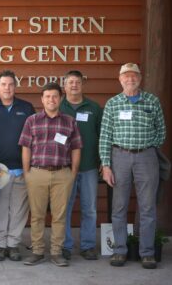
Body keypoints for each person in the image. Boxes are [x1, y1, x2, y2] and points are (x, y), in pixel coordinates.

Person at [99, 63, 166, 269]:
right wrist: (106, 165)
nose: (130, 79)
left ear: (140, 78)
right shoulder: (113, 103)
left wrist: (146, 148)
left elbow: (161, 131)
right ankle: (120, 251)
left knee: (147, 207)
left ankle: (147, 252)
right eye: (126, 76)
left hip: (147, 157)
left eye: (134, 76)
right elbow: (105, 136)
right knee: (119, 207)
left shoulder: (152, 101)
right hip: (119, 156)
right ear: (120, 79)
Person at [19, 82, 82, 267]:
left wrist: (73, 173)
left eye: (54, 96)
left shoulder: (69, 121)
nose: (51, 99)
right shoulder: (32, 120)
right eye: (47, 96)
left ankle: (56, 252)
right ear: (42, 99)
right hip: (37, 173)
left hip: (62, 174)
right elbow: (26, 147)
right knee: (37, 215)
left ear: (60, 98)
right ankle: (37, 251)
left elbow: (77, 148)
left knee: (59, 216)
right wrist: (27, 172)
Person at [0, 70, 35, 261]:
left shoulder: (27, 108)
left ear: (15, 86)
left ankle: (13, 245)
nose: (7, 88)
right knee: (0, 209)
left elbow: (33, 138)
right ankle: (0, 245)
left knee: (19, 209)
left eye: (11, 84)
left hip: (21, 168)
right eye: (3, 84)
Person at [60, 70, 103, 261]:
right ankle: (65, 245)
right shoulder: (58, 107)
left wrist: (104, 161)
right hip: (64, 168)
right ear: (64, 86)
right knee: (65, 208)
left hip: (89, 166)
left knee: (90, 208)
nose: (74, 85)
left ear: (82, 85)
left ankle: (88, 246)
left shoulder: (93, 108)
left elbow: (103, 136)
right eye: (70, 82)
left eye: (77, 82)